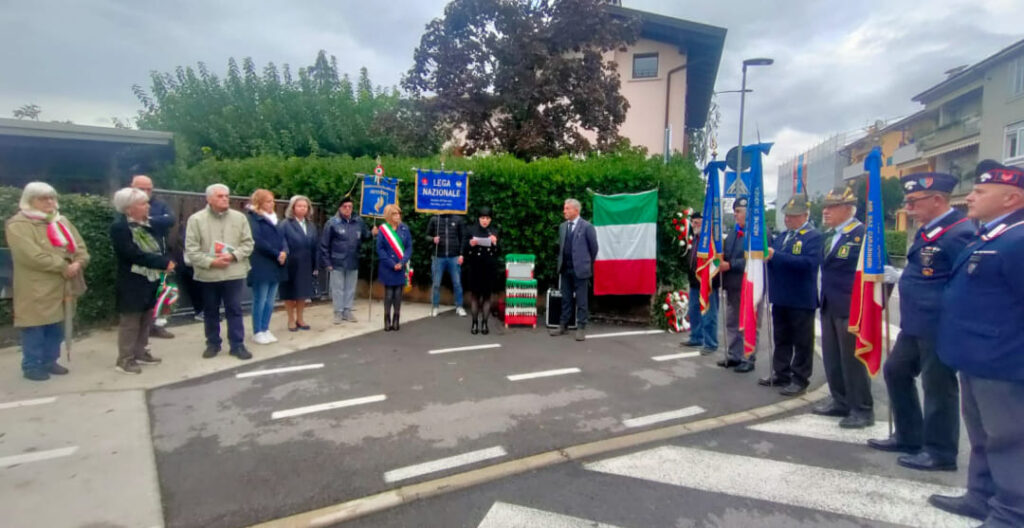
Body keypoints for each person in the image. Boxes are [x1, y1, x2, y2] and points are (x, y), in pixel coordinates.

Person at [928, 161, 1024, 526]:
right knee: (983, 436)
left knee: (1010, 441)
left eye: (981, 192)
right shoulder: (993, 235)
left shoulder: (1018, 239)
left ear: (1011, 197)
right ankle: (981, 497)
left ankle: (1012, 513)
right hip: (976, 358)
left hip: (1004, 361)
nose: (970, 196)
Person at [867, 172, 973, 471]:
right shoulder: (930, 231)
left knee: (938, 386)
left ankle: (940, 452)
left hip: (939, 325)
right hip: (915, 324)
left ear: (938, 200)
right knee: (895, 370)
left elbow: (963, 281)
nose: (908, 208)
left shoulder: (958, 233)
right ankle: (909, 435)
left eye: (913, 202)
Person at [5, 182, 89, 381]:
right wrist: (63, 266)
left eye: (52, 197)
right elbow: (31, 256)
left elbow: (80, 247)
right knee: (35, 326)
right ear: (29, 201)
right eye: (43, 198)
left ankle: (50, 360)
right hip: (36, 287)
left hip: (63, 285)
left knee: (57, 325)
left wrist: (79, 263)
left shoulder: (62, 221)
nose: (50, 202)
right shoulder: (18, 225)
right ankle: (32, 365)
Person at [812, 185, 872, 428]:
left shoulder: (863, 235)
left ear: (848, 209)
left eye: (832, 207)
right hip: (829, 304)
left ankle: (862, 409)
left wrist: (869, 309)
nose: (826, 212)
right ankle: (840, 401)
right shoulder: (831, 236)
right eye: (825, 207)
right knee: (833, 357)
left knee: (852, 361)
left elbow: (879, 277)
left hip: (852, 309)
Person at [185, 183, 254, 360]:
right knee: (210, 310)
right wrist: (212, 262)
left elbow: (248, 244)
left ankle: (237, 345)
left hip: (233, 272)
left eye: (226, 196)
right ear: (208, 199)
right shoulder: (196, 220)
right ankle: (213, 344)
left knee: (235, 309)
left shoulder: (240, 218)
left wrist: (233, 256)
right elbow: (191, 250)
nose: (224, 199)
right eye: (220, 196)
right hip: (209, 275)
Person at [109, 187, 175, 374]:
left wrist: (166, 261)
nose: (148, 207)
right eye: (143, 203)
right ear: (129, 208)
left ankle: (140, 352)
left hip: (151, 277)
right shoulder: (120, 227)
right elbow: (132, 254)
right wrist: (162, 263)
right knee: (130, 321)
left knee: (146, 317)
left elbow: (158, 247)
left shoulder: (147, 224)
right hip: (132, 280)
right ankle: (125, 359)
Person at [762, 195, 823, 395]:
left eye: (793, 216)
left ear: (805, 215)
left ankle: (800, 378)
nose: (788, 219)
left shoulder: (813, 237)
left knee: (803, 342)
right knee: (781, 338)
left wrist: (776, 256)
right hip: (781, 297)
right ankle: (781, 373)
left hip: (800, 299)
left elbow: (808, 264)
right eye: (787, 215)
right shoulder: (782, 237)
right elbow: (776, 261)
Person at [131, 173, 177, 339]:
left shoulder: (160, 203)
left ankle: (159, 325)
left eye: (149, 189)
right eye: (142, 189)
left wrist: (147, 220)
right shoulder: (125, 204)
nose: (146, 192)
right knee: (142, 296)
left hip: (162, 256)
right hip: (139, 259)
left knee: (165, 292)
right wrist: (156, 221)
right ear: (132, 188)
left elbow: (170, 220)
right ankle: (140, 330)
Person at [550, 198, 598, 341]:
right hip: (565, 268)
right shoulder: (563, 227)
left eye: (567, 209)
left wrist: (586, 263)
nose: (564, 211)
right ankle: (563, 325)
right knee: (566, 298)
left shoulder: (587, 227)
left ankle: (581, 327)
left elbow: (594, 248)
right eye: (564, 208)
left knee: (582, 300)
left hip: (580, 269)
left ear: (576, 210)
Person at [320, 197, 374, 324]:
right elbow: (324, 244)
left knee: (350, 287)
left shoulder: (358, 221)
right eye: (345, 206)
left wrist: (372, 233)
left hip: (353, 259)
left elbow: (365, 236)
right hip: (337, 261)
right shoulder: (332, 223)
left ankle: (347, 310)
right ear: (340, 208)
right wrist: (327, 262)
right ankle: (338, 312)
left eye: (350, 206)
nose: (348, 209)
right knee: (338, 288)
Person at [246, 189, 288, 345]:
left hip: (276, 263)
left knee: (270, 300)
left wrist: (284, 251)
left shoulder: (275, 219)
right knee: (260, 298)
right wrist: (276, 253)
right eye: (268, 201)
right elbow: (257, 240)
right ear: (259, 203)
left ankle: (265, 327)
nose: (272, 204)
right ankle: (257, 331)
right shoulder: (253, 219)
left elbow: (282, 238)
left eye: (272, 201)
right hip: (261, 263)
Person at [718, 197, 754, 373]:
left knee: (747, 323)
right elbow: (726, 253)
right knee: (732, 322)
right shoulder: (733, 232)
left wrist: (731, 264)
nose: (735, 215)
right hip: (731, 285)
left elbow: (754, 259)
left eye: (738, 211)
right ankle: (734, 355)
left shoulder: (756, 233)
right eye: (735, 211)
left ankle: (748, 357)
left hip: (747, 285)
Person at [682, 213, 720, 355]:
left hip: (708, 283)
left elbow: (716, 261)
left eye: (697, 222)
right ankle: (696, 337)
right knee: (694, 312)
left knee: (709, 315)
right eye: (693, 222)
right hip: (694, 283)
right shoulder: (695, 240)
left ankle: (711, 343)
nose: (694, 225)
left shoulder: (711, 241)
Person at [279, 195, 318, 332]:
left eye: (305, 206)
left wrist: (316, 265)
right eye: (299, 206)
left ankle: (300, 319)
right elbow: (282, 243)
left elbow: (315, 246)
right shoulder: (285, 224)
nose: (302, 209)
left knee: (302, 293)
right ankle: (291, 319)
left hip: (306, 263)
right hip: (291, 263)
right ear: (293, 208)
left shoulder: (311, 225)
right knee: (290, 293)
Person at [463, 206, 499, 335]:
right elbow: (465, 248)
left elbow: (498, 251)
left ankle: (484, 323)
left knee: (487, 296)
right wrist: (470, 244)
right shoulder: (471, 230)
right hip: (475, 266)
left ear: (490, 220)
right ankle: (474, 323)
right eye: (483, 218)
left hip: (489, 267)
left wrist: (495, 243)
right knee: (475, 296)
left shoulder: (494, 231)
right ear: (479, 219)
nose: (485, 221)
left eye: (487, 218)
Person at [377, 204, 412, 331]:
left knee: (398, 293)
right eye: (394, 214)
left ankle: (396, 318)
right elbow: (380, 249)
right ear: (388, 215)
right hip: (388, 266)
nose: (398, 216)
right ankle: (387, 319)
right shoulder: (383, 229)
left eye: (399, 214)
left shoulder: (404, 229)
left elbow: (408, 247)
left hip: (401, 265)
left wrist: (402, 262)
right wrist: (392, 264)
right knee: (389, 293)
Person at [425, 213, 467, 317]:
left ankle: (459, 306)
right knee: (436, 284)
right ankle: (435, 307)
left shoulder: (458, 219)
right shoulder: (434, 219)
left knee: (457, 283)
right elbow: (426, 236)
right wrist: (433, 239)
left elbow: (463, 237)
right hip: (438, 257)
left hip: (454, 257)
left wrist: (461, 254)